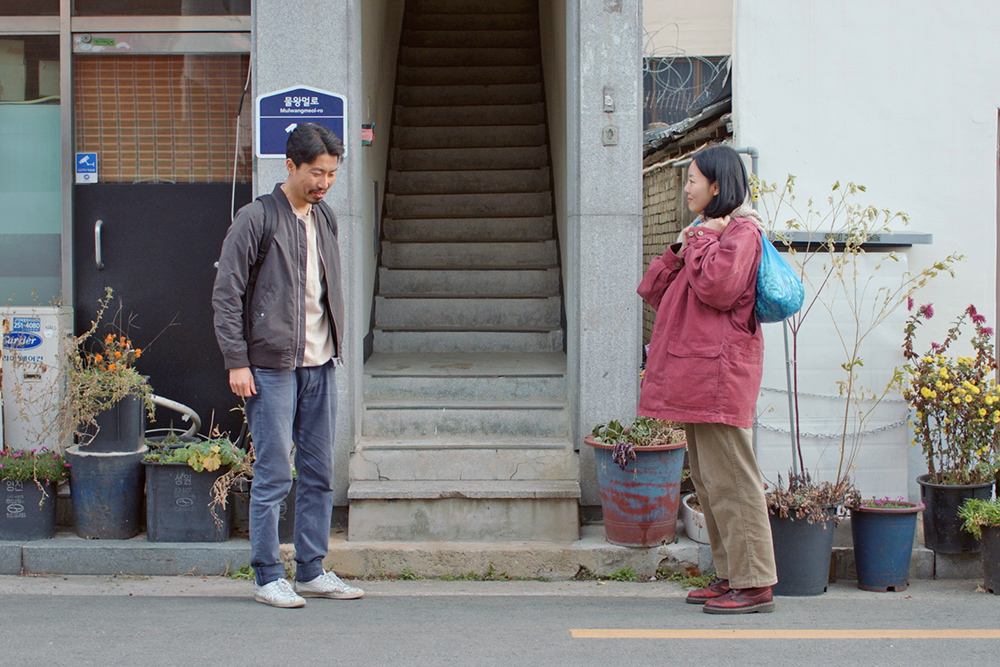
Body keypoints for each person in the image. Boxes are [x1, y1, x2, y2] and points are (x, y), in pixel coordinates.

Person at [212, 122, 363, 608]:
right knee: (275, 473)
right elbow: (226, 294)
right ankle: (267, 575)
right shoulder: (256, 217)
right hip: (270, 367)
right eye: (317, 172)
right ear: (290, 165)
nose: (325, 183)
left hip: (320, 365)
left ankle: (312, 570)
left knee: (319, 474)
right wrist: (237, 361)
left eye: (332, 173)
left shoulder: (326, 217)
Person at [637, 145, 777, 614]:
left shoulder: (743, 232)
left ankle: (754, 583)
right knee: (711, 481)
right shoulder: (703, 233)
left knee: (733, 480)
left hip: (719, 376)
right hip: (699, 375)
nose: (686, 187)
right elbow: (653, 289)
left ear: (717, 186)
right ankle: (730, 575)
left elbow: (719, 287)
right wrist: (683, 244)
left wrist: (698, 242)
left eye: (693, 179)